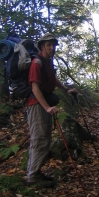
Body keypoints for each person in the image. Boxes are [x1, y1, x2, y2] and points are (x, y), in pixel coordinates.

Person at [26, 33, 76, 188]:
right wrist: (47, 107)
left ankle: (36, 172)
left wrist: (65, 89)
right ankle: (33, 177)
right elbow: (35, 88)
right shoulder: (37, 63)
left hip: (43, 104)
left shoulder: (48, 62)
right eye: (49, 45)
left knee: (44, 137)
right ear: (42, 46)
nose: (52, 48)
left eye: (53, 45)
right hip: (36, 105)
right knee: (39, 139)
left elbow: (53, 79)